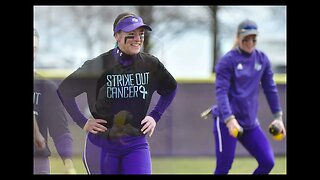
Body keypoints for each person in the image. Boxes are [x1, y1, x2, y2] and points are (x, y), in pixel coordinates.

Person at [57, 12, 177, 174]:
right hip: (101, 145)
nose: (138, 39)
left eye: (141, 34)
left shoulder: (150, 64)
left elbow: (170, 88)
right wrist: (82, 121)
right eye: (131, 34)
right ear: (117, 36)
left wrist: (155, 115)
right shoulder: (99, 65)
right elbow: (64, 91)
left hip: (136, 143)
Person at [211, 19, 286, 174]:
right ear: (238, 38)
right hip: (226, 122)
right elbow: (221, 92)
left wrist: (278, 116)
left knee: (267, 162)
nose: (250, 42)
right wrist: (230, 119)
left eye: (253, 38)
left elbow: (270, 88)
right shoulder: (227, 61)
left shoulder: (262, 59)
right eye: (246, 38)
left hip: (249, 122)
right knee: (223, 167)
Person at [33, 28, 76, 174]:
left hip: (37, 163)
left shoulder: (46, 88)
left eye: (34, 49)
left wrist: (68, 163)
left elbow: (60, 129)